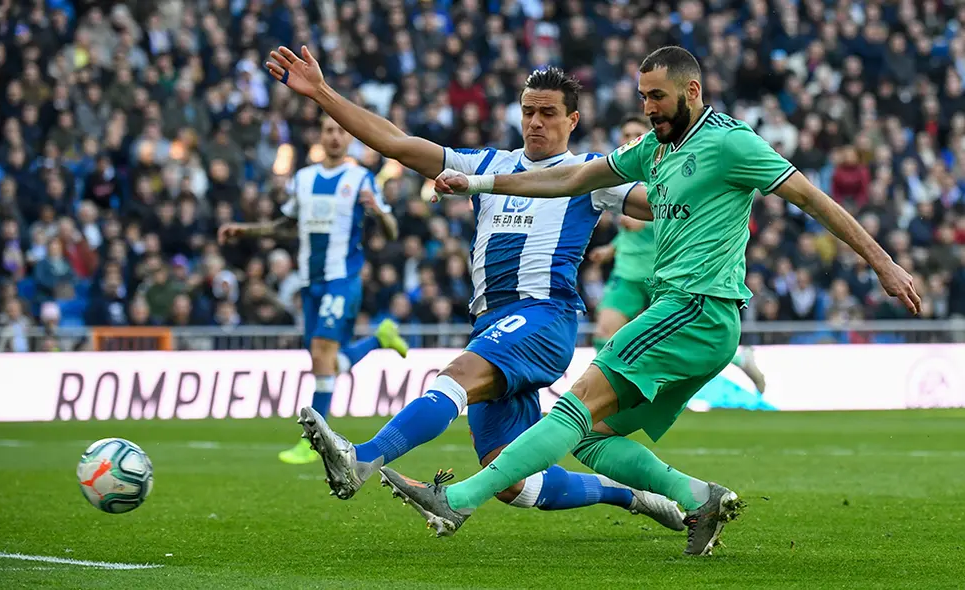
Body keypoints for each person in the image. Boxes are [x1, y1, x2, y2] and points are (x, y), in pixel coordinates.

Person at [377, 46, 921, 555]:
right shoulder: (654, 150)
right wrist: (479, 185)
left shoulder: (731, 142)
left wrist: (882, 262)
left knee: (575, 403)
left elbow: (811, 198)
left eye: (657, 96)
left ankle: (459, 500)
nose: (648, 107)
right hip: (694, 320)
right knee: (590, 436)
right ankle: (698, 497)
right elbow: (574, 178)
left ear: (693, 90)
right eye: (642, 96)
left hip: (695, 307)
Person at [265, 46, 685, 529]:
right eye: (528, 111)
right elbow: (398, 144)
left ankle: (361, 458)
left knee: (457, 374)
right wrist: (321, 92)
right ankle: (630, 496)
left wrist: (695, 174)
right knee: (509, 479)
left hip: (544, 316)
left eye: (548, 114)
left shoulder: (590, 173)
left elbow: (658, 205)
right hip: (495, 323)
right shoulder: (486, 165)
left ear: (572, 120)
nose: (535, 122)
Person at [218, 115, 409, 465]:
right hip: (310, 281)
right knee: (325, 361)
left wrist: (379, 214)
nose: (335, 136)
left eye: (341, 130)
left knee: (321, 351)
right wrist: (245, 230)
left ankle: (314, 441)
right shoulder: (303, 179)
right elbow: (286, 226)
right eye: (328, 131)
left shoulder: (360, 178)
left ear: (349, 138)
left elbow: (393, 230)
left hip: (343, 278)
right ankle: (379, 338)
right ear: (320, 137)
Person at [590, 114, 766, 394]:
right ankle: (602, 394)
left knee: (682, 337)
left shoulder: (663, 173)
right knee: (604, 331)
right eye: (624, 135)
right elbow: (627, 233)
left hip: (661, 275)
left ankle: (739, 358)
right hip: (626, 274)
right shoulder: (626, 178)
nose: (628, 140)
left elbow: (680, 214)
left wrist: (646, 218)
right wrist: (609, 250)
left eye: (635, 134)